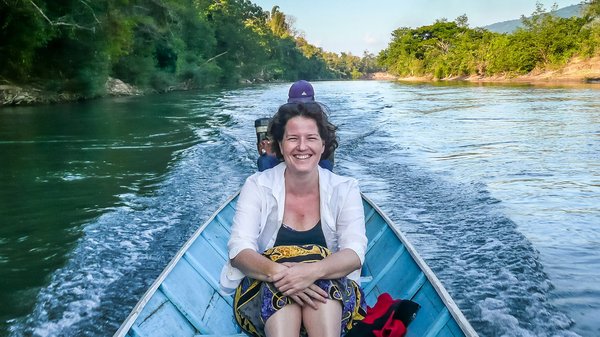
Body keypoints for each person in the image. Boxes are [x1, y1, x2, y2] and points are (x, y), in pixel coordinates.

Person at [221, 102, 367, 337]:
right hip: (268, 281)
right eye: (292, 138)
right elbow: (239, 251)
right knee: (278, 293)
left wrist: (312, 272)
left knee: (325, 288)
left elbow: (354, 253)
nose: (302, 147)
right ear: (280, 144)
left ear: (322, 145)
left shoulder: (345, 188)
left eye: (310, 138)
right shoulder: (257, 185)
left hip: (326, 283)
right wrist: (285, 276)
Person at [257, 80, 333, 172]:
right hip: (284, 158)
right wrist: (266, 150)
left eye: (306, 104)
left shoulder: (322, 123)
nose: (301, 108)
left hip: (319, 160)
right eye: (296, 105)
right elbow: (275, 146)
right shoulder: (279, 121)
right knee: (264, 161)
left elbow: (327, 153)